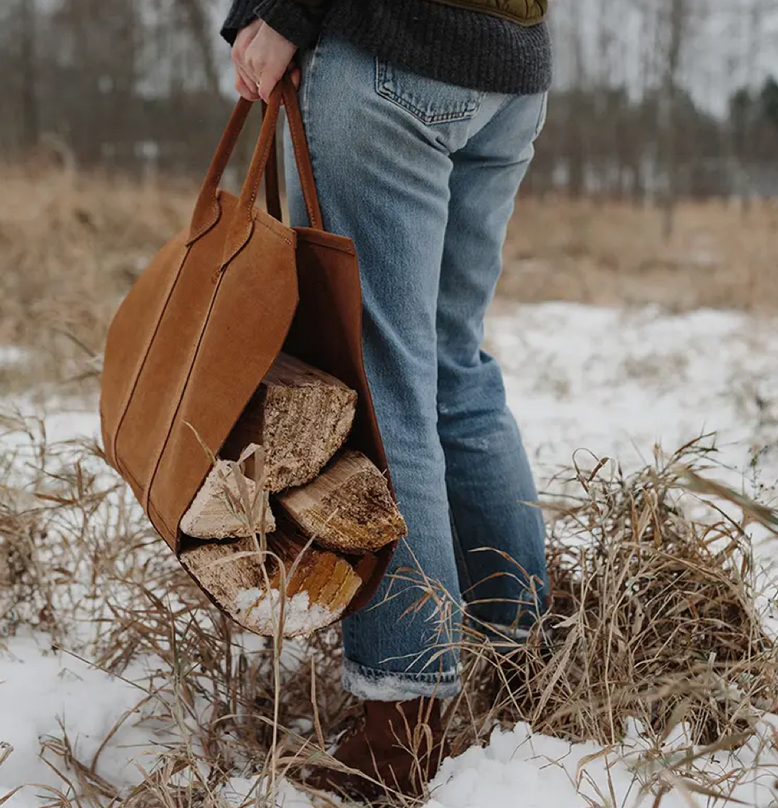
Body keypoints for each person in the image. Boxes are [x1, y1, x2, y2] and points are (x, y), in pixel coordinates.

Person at [221, 0, 552, 797]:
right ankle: (520, 655)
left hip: (388, 50)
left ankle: (400, 726)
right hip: (511, 63)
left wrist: (281, 11)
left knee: (383, 387)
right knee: (450, 367)